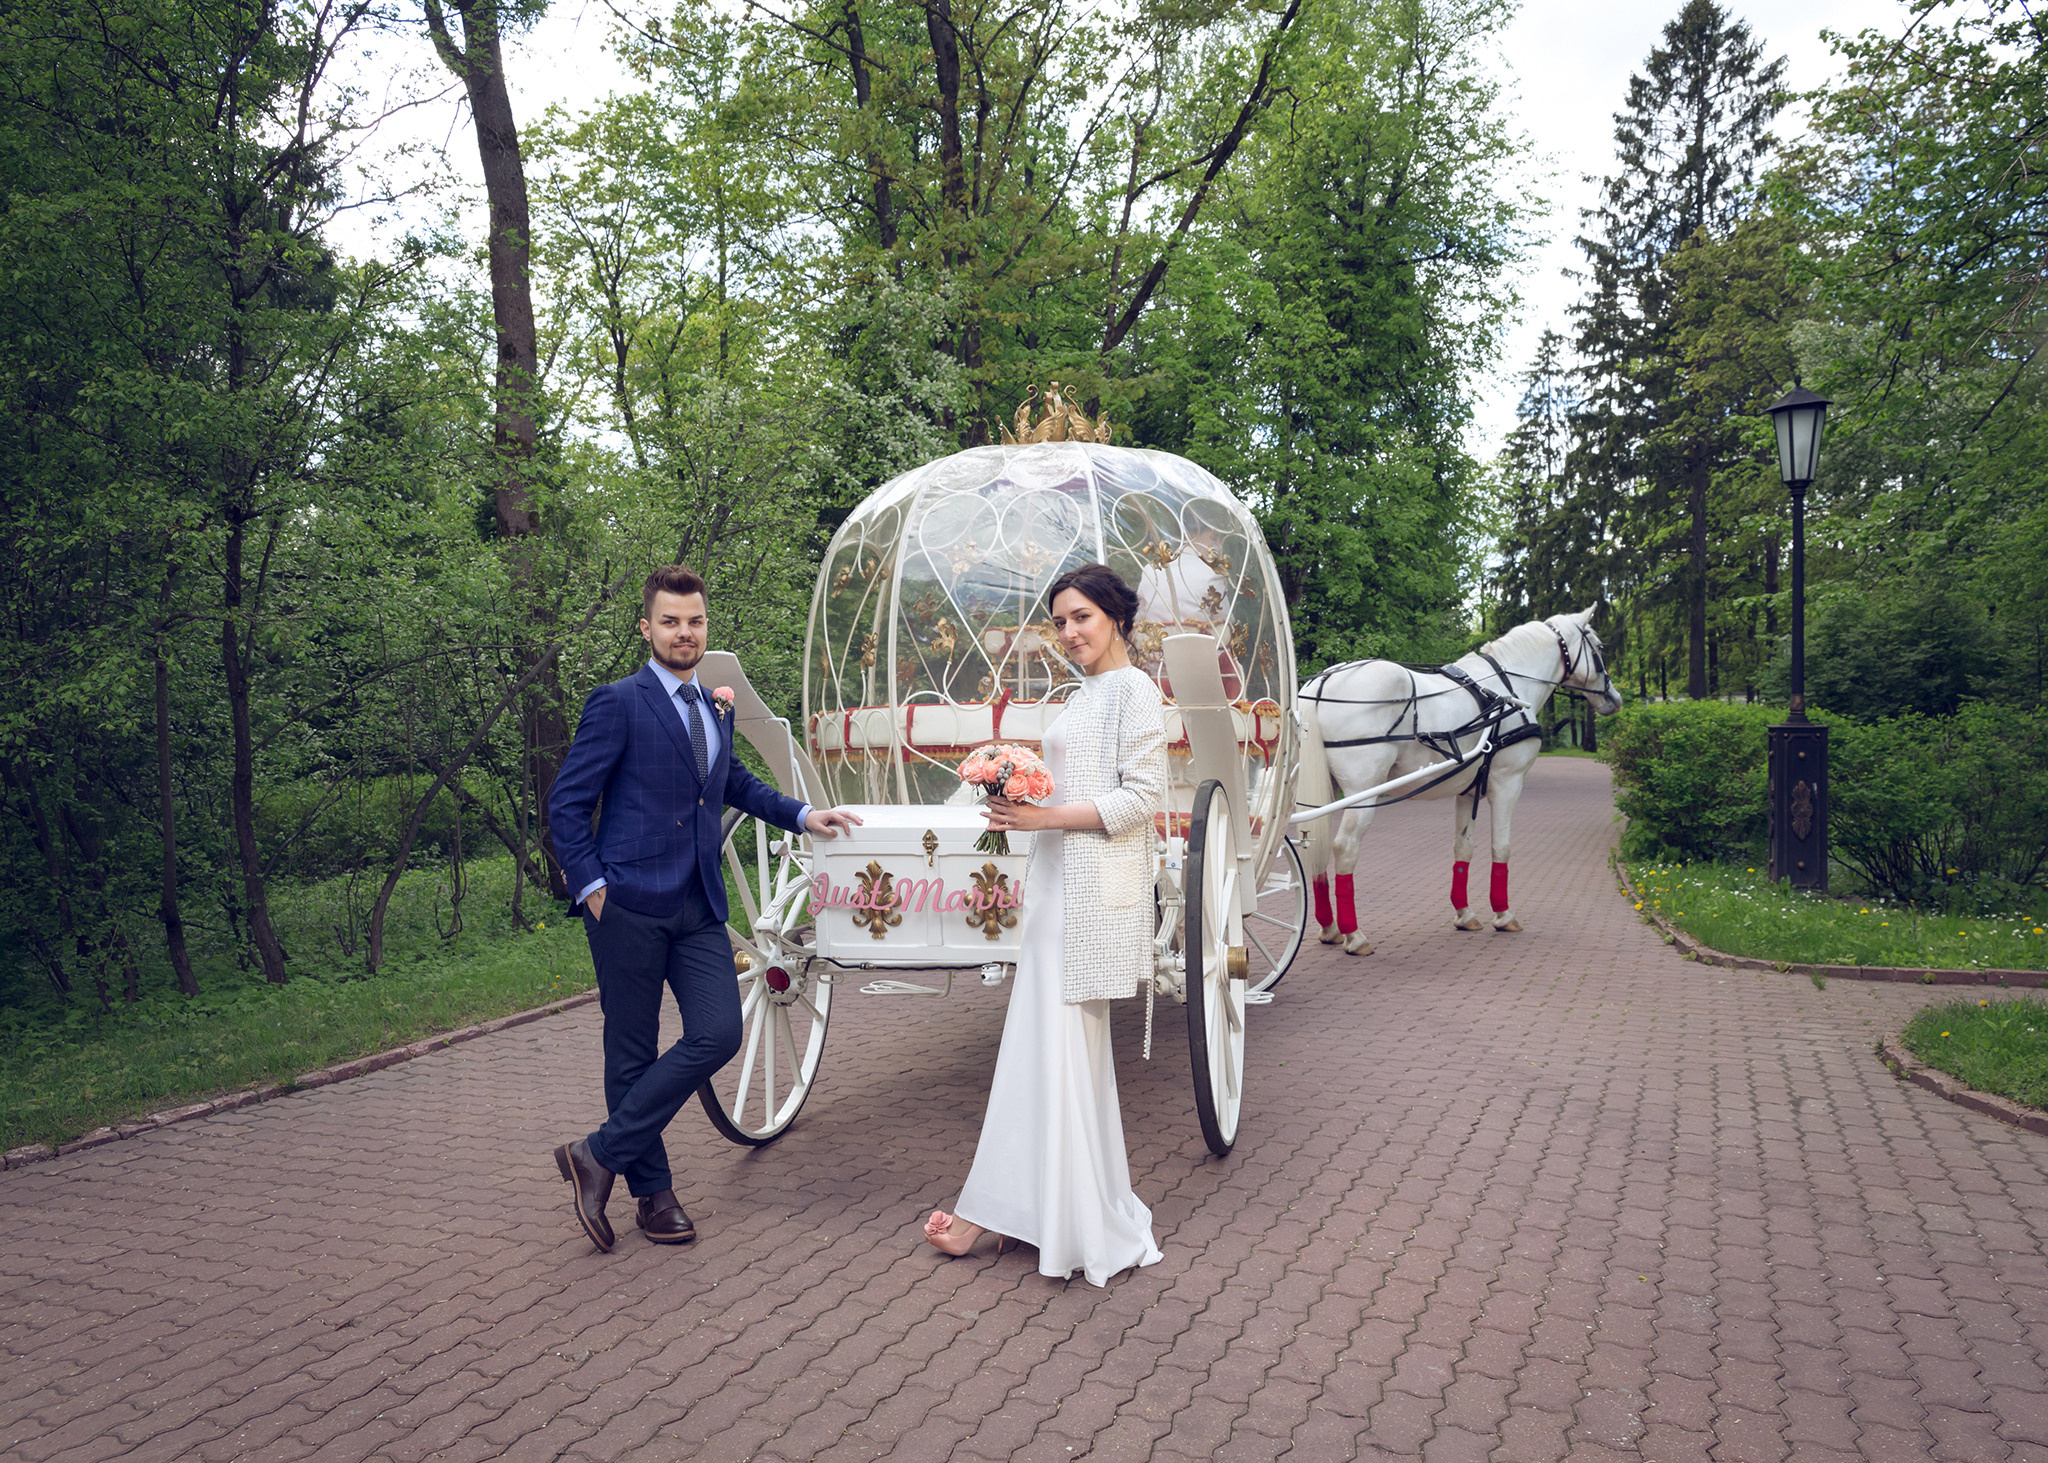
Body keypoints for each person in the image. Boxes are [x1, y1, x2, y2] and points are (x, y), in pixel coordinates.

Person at [548, 565, 861, 1254]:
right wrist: (592, 887)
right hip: (626, 905)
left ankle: (597, 1153)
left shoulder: (715, 707)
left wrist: (805, 812)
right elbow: (566, 804)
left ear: (704, 627)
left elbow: (735, 784)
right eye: (670, 621)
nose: (684, 632)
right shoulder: (617, 702)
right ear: (646, 627)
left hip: (697, 905)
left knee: (718, 1033)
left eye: (694, 621)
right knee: (629, 1050)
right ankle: (653, 1197)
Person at [922, 563, 1168, 1285]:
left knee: (1057, 1050)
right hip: (1055, 885)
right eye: (1059, 621)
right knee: (1040, 1050)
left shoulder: (1135, 690)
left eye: (1082, 617)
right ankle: (1021, 1210)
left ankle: (1037, 1218)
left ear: (1116, 617)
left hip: (1091, 894)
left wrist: (1042, 815)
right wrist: (1015, 793)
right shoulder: (1086, 691)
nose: (1069, 632)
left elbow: (1141, 799)